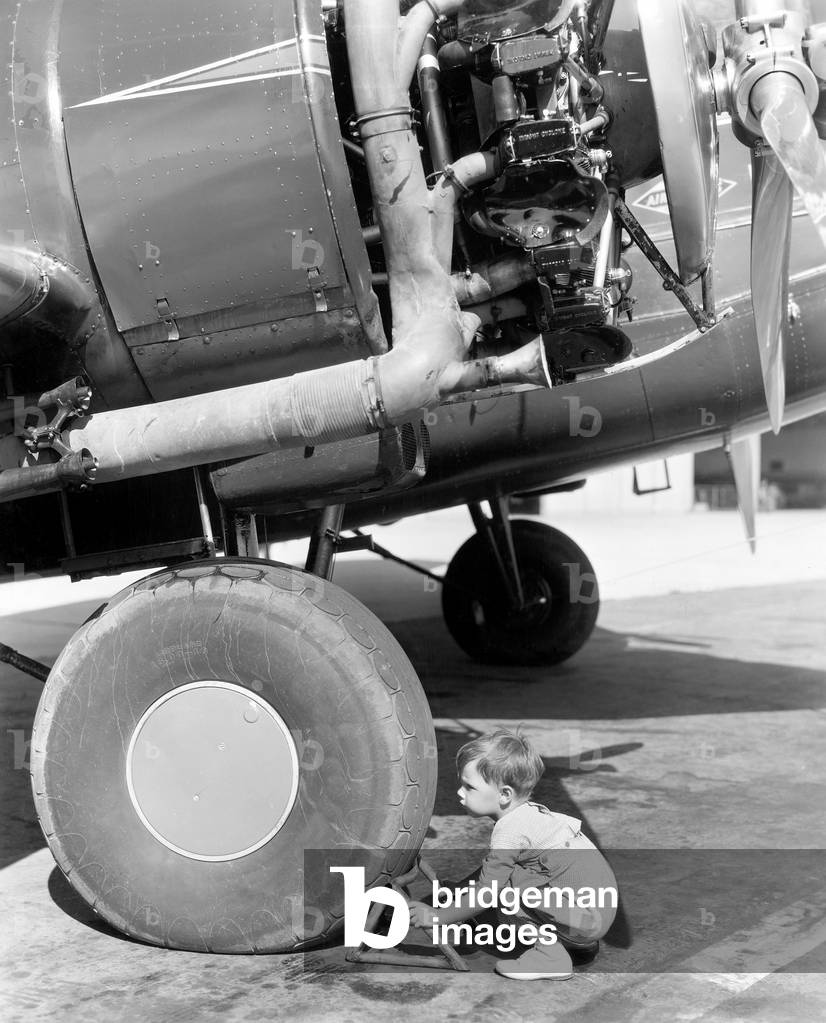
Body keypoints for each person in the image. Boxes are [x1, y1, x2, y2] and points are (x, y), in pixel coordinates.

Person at [407, 729, 617, 981]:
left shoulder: (510, 832)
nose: (460, 793)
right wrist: (460, 893)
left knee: (504, 890)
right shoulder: (530, 816)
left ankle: (552, 957)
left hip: (585, 922)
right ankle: (570, 940)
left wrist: (437, 917)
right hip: (592, 915)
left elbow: (489, 890)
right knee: (509, 876)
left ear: (505, 794)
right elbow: (492, 874)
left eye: (469, 787)